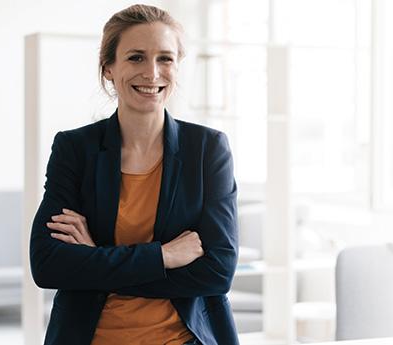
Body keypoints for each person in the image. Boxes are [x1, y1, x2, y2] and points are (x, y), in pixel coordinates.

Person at [28, 4, 239, 345]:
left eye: (165, 58)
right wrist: (163, 256)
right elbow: (47, 264)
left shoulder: (207, 149)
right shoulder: (75, 149)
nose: (152, 73)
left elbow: (217, 273)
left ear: (177, 66)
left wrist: (95, 258)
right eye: (136, 57)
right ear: (108, 68)